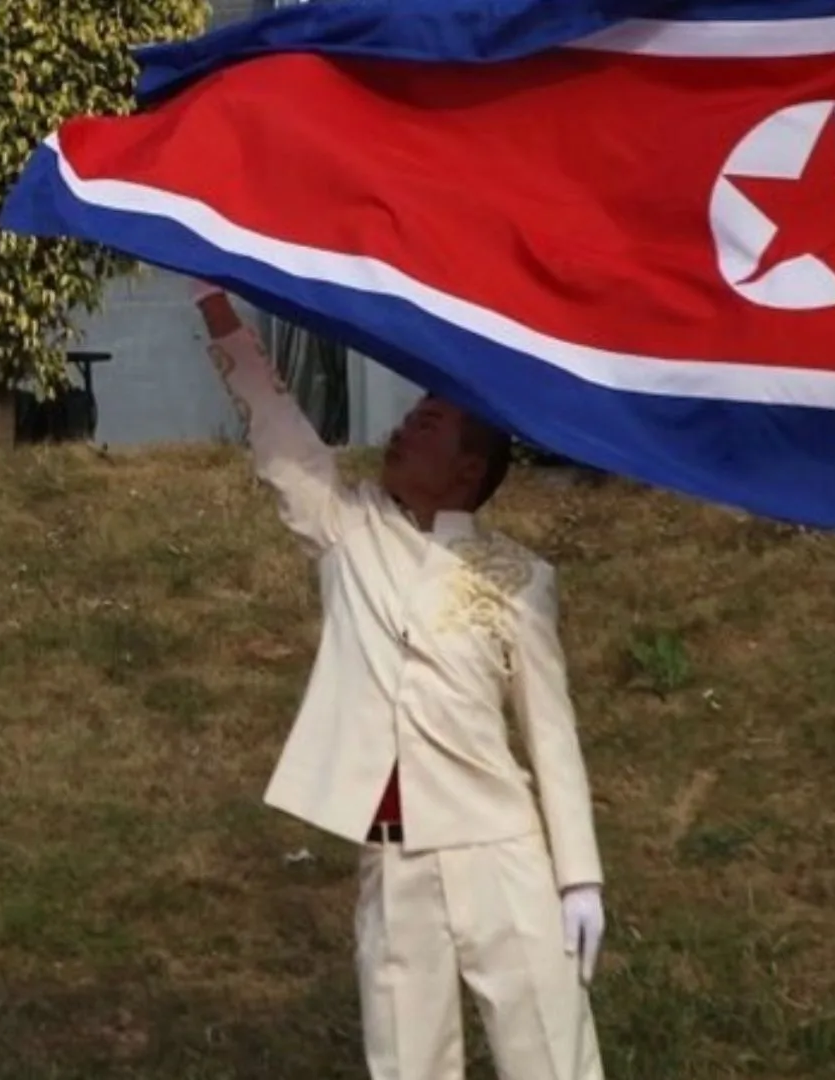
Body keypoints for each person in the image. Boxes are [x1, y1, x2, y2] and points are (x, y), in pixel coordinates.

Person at [193, 281, 606, 1080]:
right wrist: (217, 309)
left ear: (468, 468)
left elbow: (552, 735)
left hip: (500, 848)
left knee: (551, 1057)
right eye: (411, 415)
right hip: (393, 857)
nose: (405, 428)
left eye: (430, 423)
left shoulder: (518, 578)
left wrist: (578, 876)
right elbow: (281, 431)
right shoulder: (347, 529)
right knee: (406, 1062)